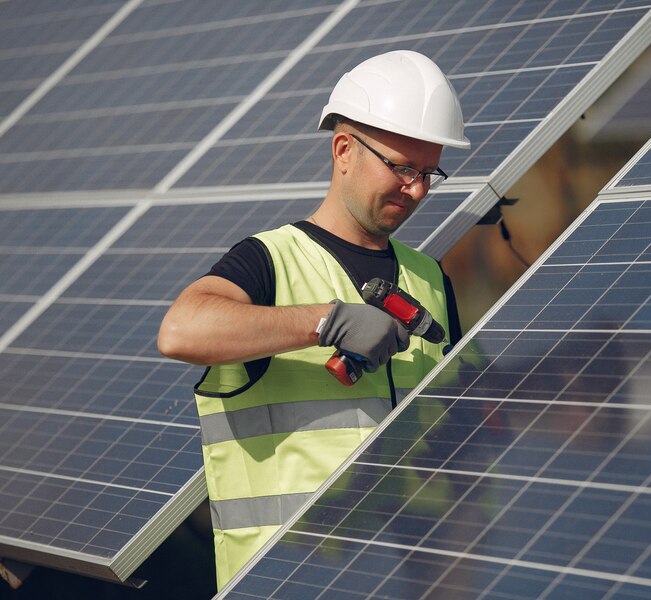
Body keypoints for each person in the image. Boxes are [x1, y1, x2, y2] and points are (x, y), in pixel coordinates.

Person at [157, 50, 469, 589]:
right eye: (402, 167)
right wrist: (325, 322)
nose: (417, 189)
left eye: (429, 172)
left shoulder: (431, 281)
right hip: (285, 581)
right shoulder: (270, 261)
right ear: (344, 150)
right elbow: (182, 330)